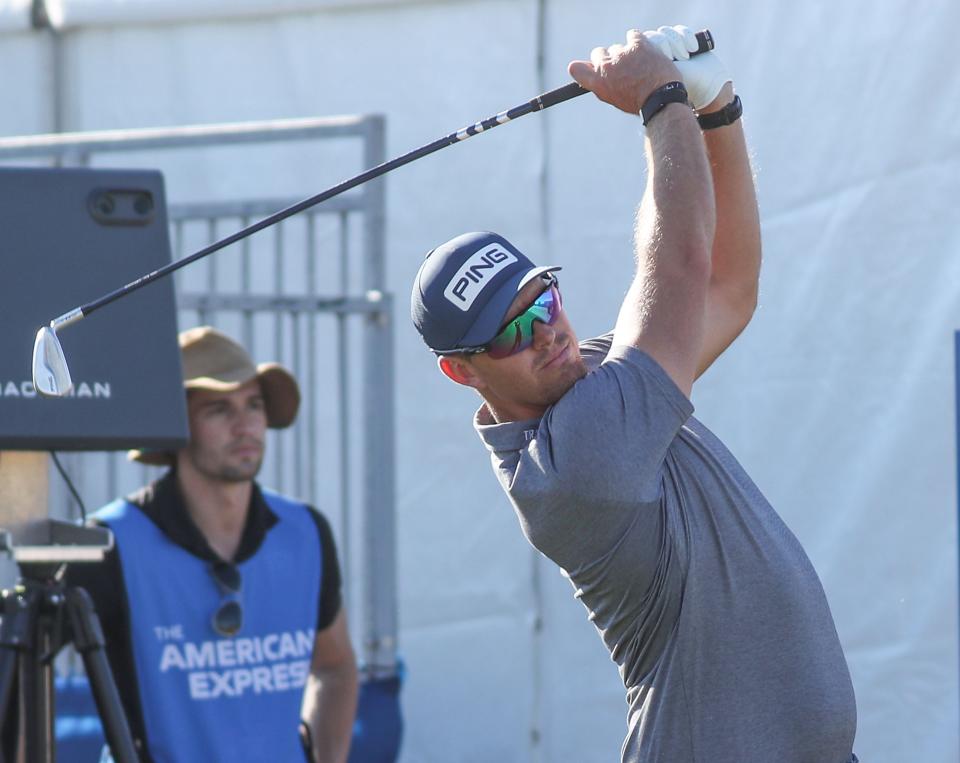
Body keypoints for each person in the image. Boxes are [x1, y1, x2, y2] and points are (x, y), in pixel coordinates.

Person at [410, 24, 857, 763]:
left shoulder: (595, 381)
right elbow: (677, 267)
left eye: (544, 300)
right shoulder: (575, 464)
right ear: (463, 371)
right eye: (511, 330)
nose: (545, 332)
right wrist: (662, 101)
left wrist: (717, 114)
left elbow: (724, 286)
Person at [66, 325, 358, 763]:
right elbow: (23, 679)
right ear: (175, 427)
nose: (245, 426)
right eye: (219, 409)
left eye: (254, 405)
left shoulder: (305, 531)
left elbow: (335, 667)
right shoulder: (107, 543)